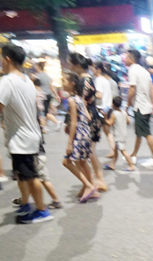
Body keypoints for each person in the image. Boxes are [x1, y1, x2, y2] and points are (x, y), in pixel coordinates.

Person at [0, 44, 53, 224]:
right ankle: (26, 204)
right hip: (30, 136)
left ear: (7, 59)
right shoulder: (27, 80)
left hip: (22, 139)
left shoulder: (7, 81)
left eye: (1, 58)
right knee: (24, 175)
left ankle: (42, 211)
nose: (0, 61)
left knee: (31, 177)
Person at [68, 53, 108, 190]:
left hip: (87, 120)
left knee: (85, 155)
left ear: (77, 66)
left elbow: (81, 104)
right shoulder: (89, 79)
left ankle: (90, 184)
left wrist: (72, 122)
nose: (69, 67)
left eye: (71, 64)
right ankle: (97, 182)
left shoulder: (82, 82)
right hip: (93, 117)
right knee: (90, 152)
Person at [61, 72, 99, 203]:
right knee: (82, 162)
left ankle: (89, 186)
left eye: (64, 81)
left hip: (78, 134)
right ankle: (89, 187)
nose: (62, 83)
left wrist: (69, 143)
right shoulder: (79, 99)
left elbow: (73, 123)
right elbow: (88, 117)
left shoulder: (71, 100)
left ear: (71, 83)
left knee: (66, 162)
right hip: (86, 133)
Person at [125, 49, 153, 167]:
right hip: (146, 106)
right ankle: (134, 155)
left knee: (146, 133)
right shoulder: (144, 71)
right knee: (139, 132)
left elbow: (132, 89)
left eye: (126, 57)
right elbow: (152, 89)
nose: (124, 59)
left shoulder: (132, 70)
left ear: (131, 59)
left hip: (140, 106)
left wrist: (127, 105)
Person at [104, 96, 136, 172]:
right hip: (123, 134)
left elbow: (110, 123)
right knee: (115, 150)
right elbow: (128, 122)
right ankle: (112, 164)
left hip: (118, 136)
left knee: (123, 151)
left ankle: (131, 165)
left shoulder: (114, 114)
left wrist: (105, 117)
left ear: (113, 104)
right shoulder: (124, 112)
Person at [34, 61, 58, 131]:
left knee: (42, 113)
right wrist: (56, 94)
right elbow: (51, 86)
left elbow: (36, 87)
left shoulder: (38, 76)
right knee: (46, 112)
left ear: (38, 67)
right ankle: (44, 126)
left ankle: (44, 127)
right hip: (49, 95)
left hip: (42, 96)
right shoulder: (47, 76)